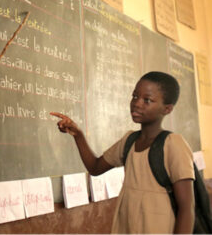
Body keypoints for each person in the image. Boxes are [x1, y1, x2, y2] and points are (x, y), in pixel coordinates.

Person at [51, 71, 195, 234]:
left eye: (147, 100)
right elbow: (95, 167)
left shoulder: (174, 144)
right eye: (134, 97)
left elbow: (187, 209)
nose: (137, 104)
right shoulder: (129, 141)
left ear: (167, 109)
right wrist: (78, 135)